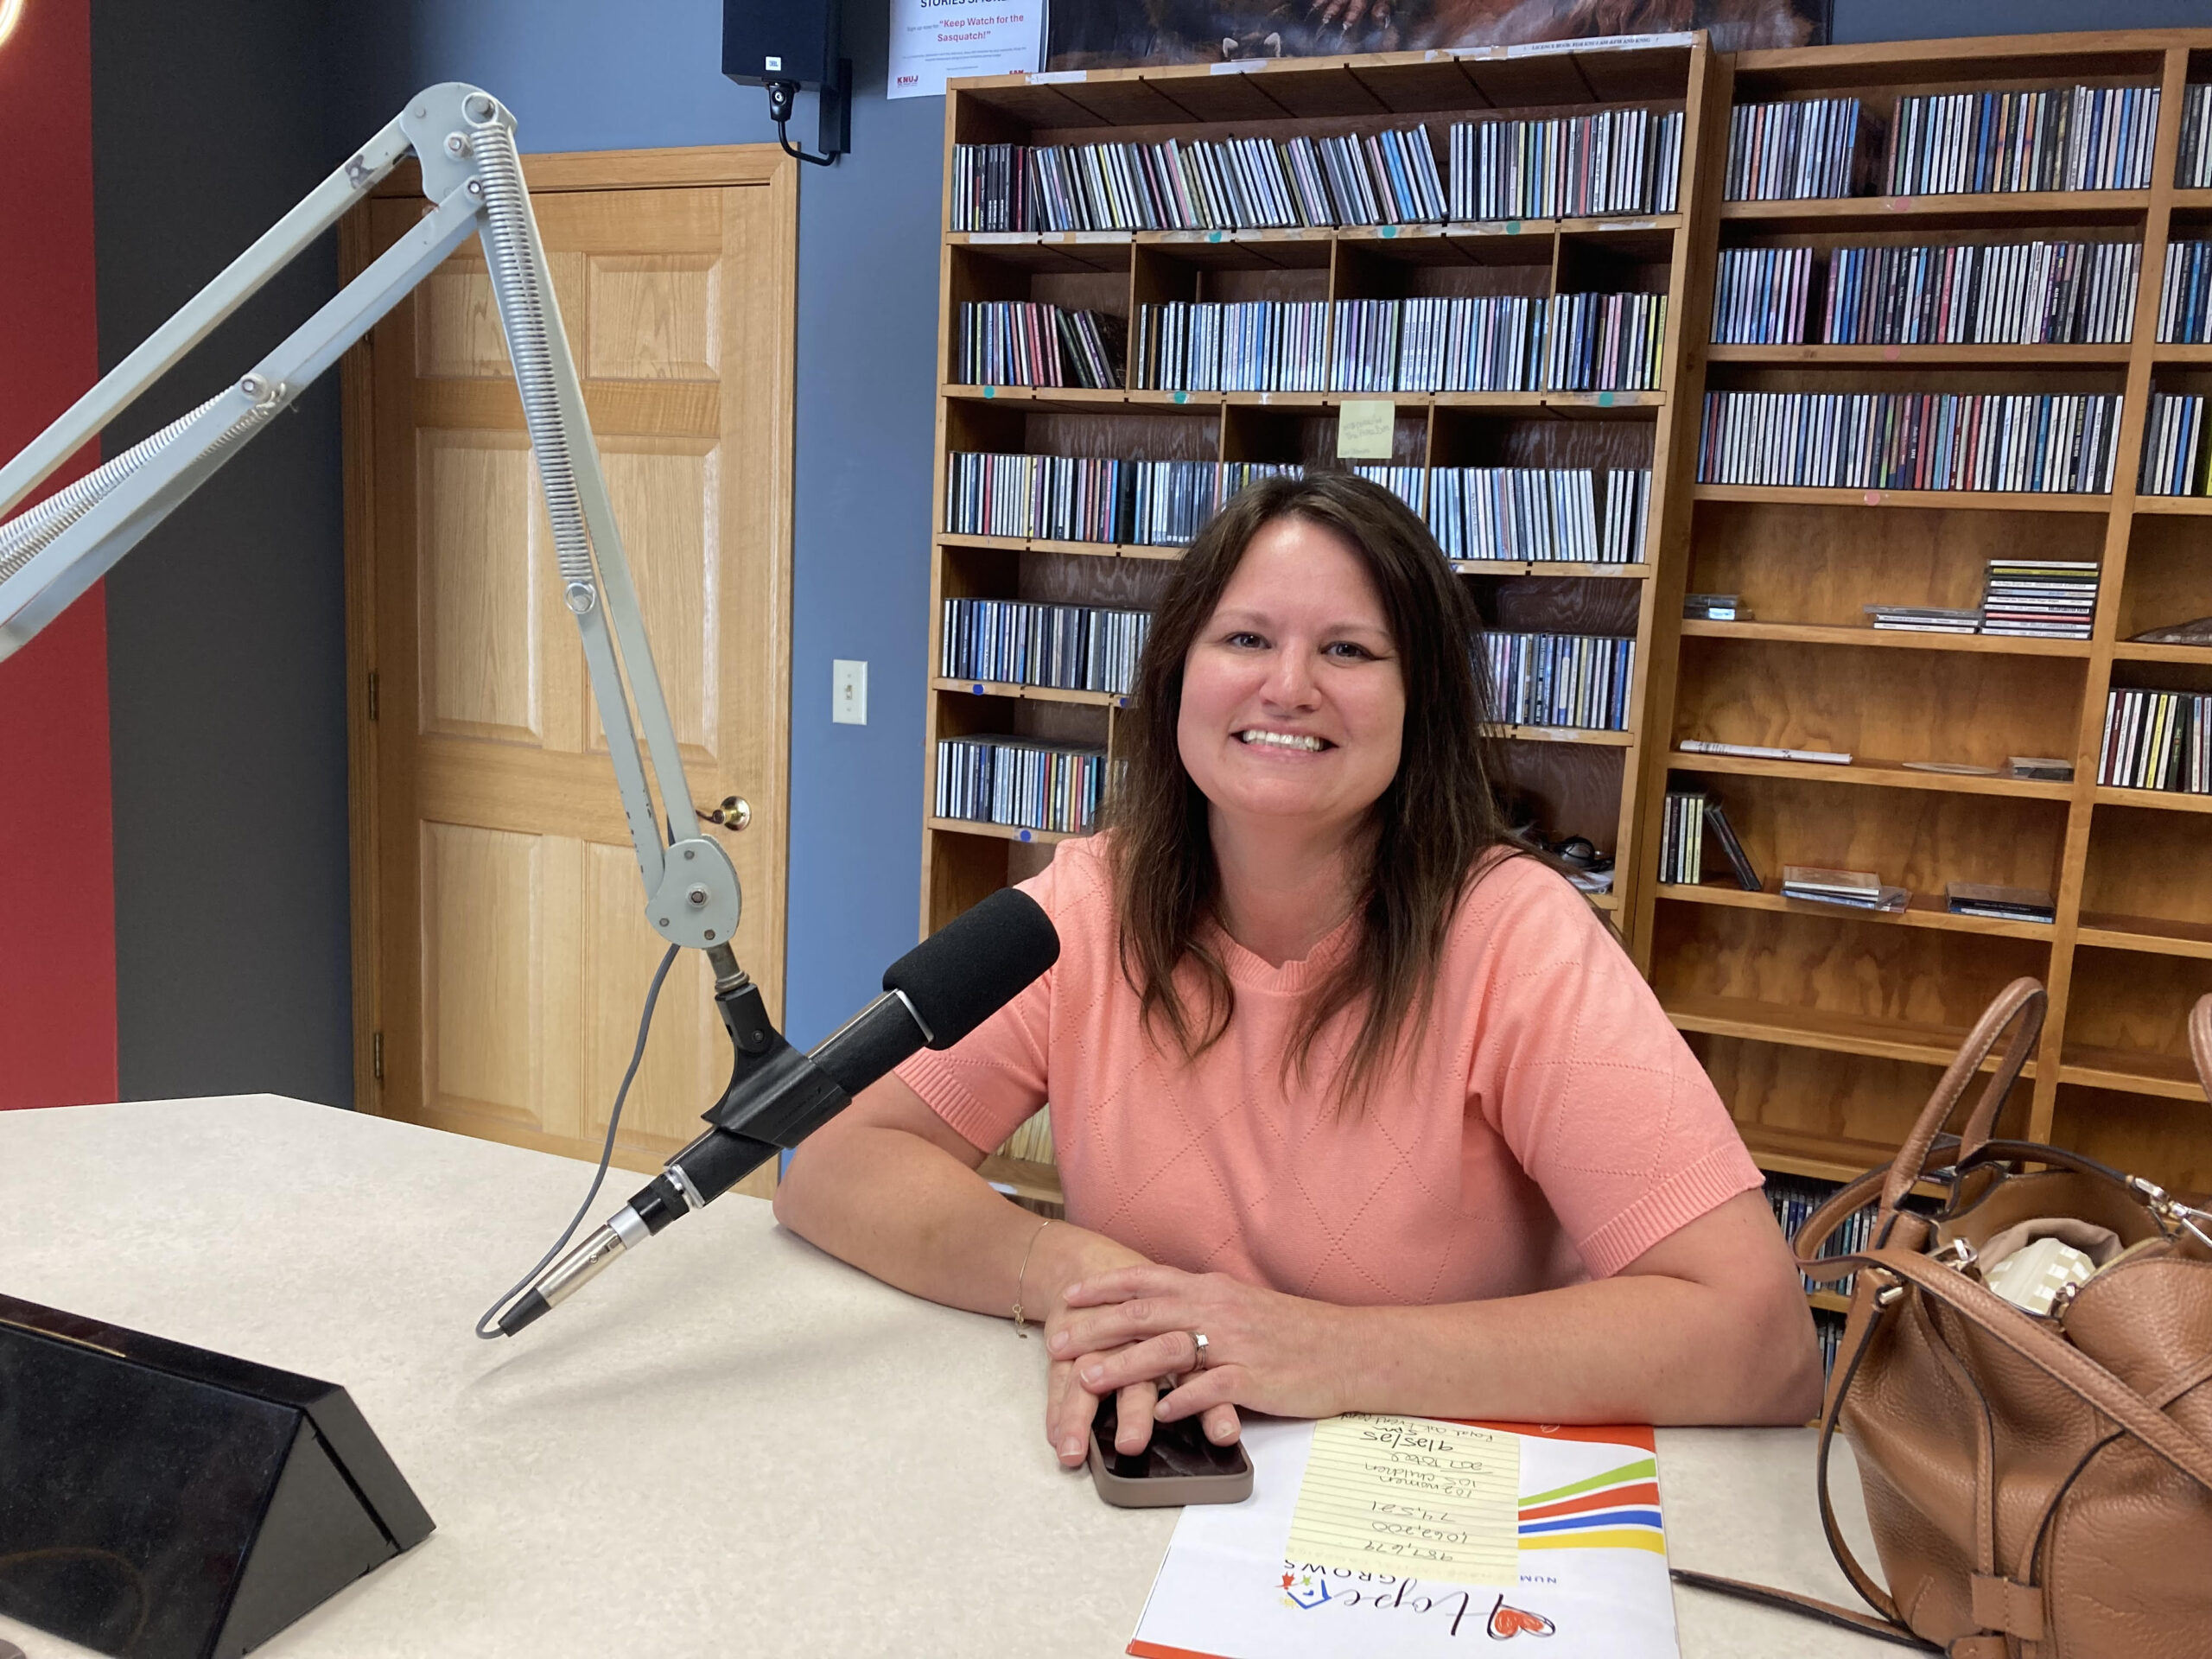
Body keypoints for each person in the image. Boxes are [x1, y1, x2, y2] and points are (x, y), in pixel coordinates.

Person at [775, 473, 1823, 1468]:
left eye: (1349, 650)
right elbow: (830, 1163)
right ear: (1176, 675)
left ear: (1420, 704)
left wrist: (1326, 1351)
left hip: (1437, 1504)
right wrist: (1083, 1279)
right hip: (1160, 1477)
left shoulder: (1515, 935)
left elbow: (1761, 1341)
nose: (1287, 688)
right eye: (1244, 638)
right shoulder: (1088, 905)